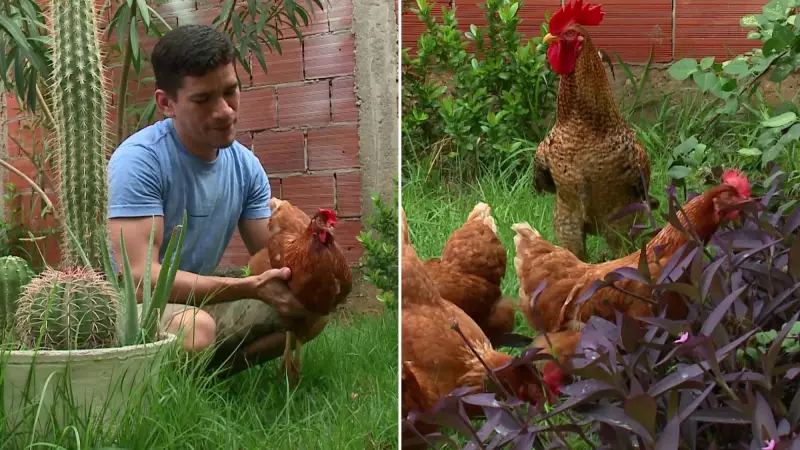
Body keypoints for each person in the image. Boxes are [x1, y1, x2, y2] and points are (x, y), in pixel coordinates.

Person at [106, 24, 326, 378]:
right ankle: (148, 392)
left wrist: (317, 266)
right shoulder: (140, 160)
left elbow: (270, 257)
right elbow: (136, 279)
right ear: (166, 104)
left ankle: (204, 380)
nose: (225, 111)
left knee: (309, 311)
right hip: (129, 310)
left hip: (194, 304)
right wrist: (244, 287)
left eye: (230, 92)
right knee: (197, 330)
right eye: (202, 99)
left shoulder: (245, 166)